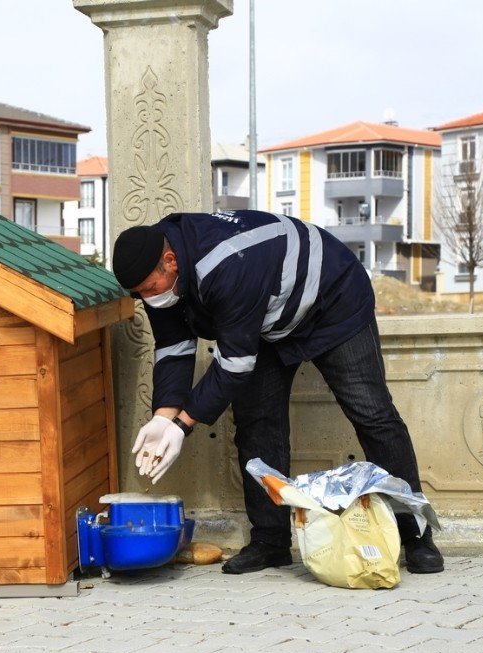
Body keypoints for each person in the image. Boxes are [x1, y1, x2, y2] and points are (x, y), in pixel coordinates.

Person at [111, 210, 444, 575]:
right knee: (256, 423)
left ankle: (416, 536)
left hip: (333, 301)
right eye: (138, 293)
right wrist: (163, 416)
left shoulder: (225, 264)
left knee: (372, 414)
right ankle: (270, 541)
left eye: (148, 290)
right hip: (267, 319)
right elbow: (174, 346)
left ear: (170, 262)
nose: (146, 299)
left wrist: (183, 425)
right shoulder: (156, 272)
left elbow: (235, 364)